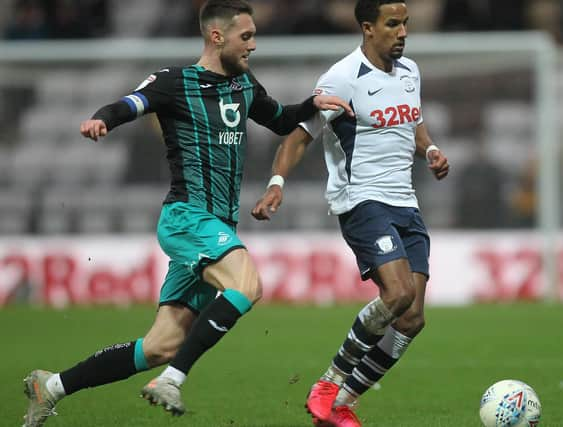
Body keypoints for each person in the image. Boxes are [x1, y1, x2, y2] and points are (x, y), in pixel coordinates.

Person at [21, 1, 352, 426]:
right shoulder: (174, 82)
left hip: (213, 227)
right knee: (247, 285)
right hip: (187, 218)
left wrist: (314, 103)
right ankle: (172, 379)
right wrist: (101, 119)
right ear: (217, 36)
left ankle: (50, 387)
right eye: (245, 36)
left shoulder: (244, 85)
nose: (253, 44)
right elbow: (129, 104)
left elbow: (282, 120)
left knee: (160, 344)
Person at [252, 1, 449, 426]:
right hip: (361, 200)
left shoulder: (411, 72)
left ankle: (342, 404)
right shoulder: (342, 78)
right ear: (367, 28)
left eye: (405, 24)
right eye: (392, 24)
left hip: (405, 202)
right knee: (396, 295)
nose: (402, 32)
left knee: (412, 319)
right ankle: (328, 382)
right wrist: (276, 183)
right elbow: (299, 135)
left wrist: (429, 148)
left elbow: (413, 120)